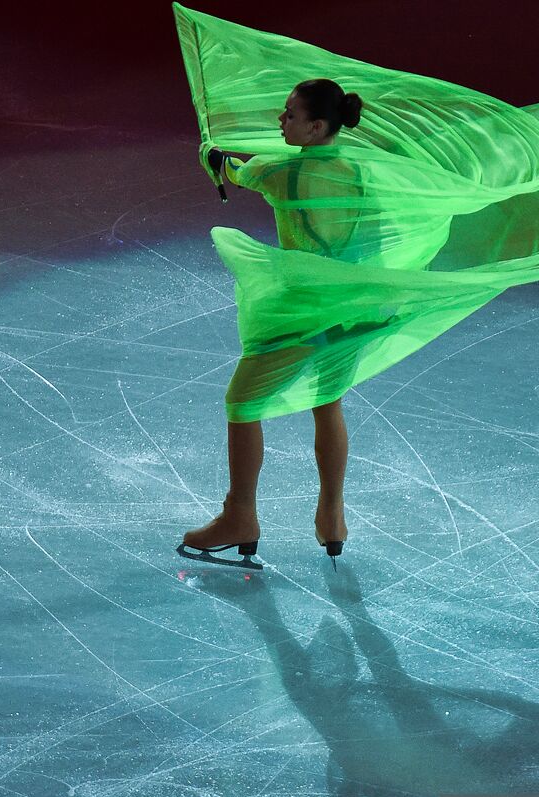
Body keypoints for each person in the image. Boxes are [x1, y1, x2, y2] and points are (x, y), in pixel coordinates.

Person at [181, 78, 366, 566]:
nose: (279, 122)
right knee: (328, 402)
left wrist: (216, 161)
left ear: (316, 125)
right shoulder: (355, 171)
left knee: (242, 402)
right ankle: (332, 519)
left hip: (303, 309)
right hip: (350, 309)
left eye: (288, 115)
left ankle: (239, 514)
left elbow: (241, 173)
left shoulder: (284, 172)